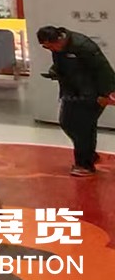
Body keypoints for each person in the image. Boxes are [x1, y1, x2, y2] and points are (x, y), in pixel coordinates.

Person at [37, 25, 115, 176]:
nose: (50, 49)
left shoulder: (83, 46)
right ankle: (89, 154)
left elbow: (103, 69)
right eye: (46, 47)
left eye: (51, 46)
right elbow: (62, 64)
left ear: (58, 39)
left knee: (82, 127)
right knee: (67, 122)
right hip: (72, 90)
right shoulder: (57, 48)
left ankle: (85, 164)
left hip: (92, 92)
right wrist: (55, 70)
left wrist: (109, 93)